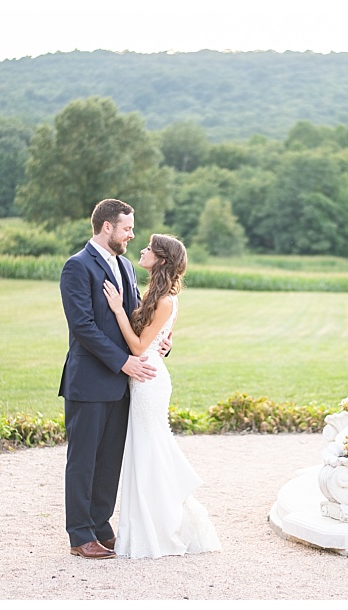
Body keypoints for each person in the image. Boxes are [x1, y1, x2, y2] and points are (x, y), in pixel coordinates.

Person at [99, 233, 222, 559]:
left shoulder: (166, 299)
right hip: (144, 377)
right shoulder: (157, 294)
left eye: (149, 249)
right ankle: (147, 527)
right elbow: (155, 339)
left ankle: (158, 530)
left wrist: (117, 310)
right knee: (145, 452)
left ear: (162, 260)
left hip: (148, 380)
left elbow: (140, 347)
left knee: (149, 452)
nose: (142, 249)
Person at [58, 198, 166, 560]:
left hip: (121, 384)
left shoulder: (124, 266)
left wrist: (157, 342)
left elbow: (133, 318)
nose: (132, 235)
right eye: (127, 228)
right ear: (108, 227)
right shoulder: (76, 267)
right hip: (88, 381)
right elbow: (84, 327)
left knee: (109, 462)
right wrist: (124, 363)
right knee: (84, 459)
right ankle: (79, 535)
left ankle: (101, 527)